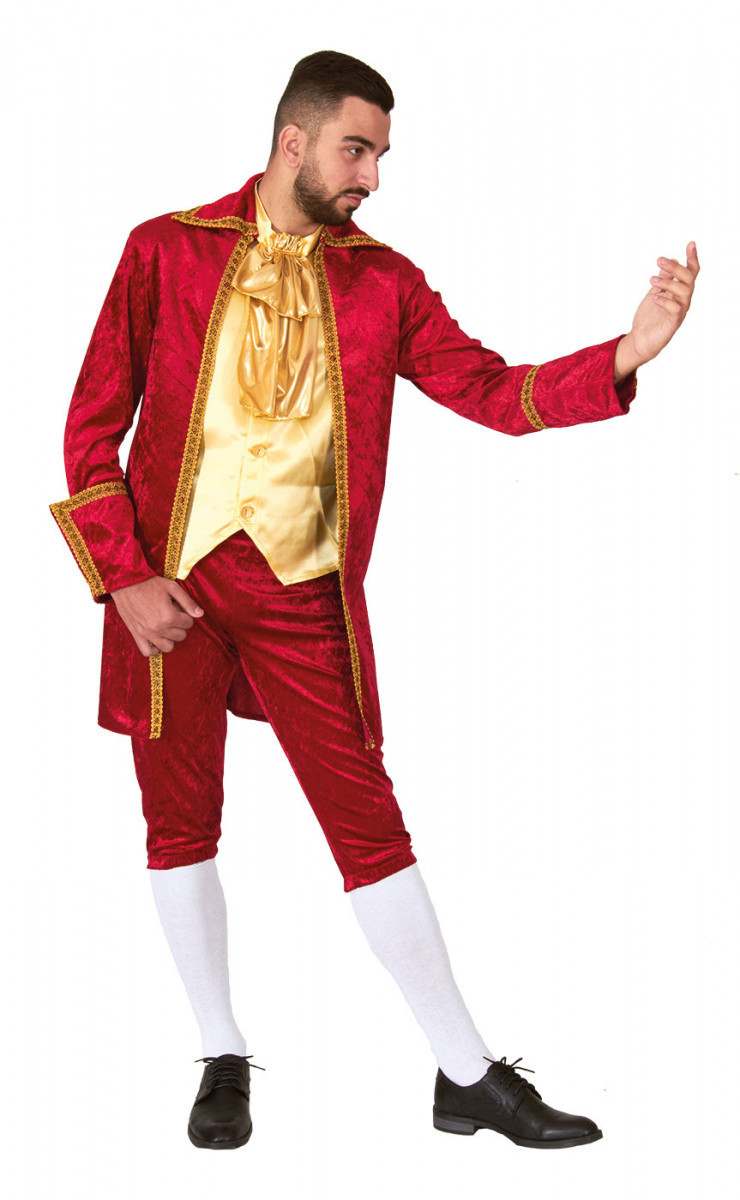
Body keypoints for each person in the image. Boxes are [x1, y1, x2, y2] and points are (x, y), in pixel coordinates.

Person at [50, 49, 699, 1152]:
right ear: (292, 141)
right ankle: (219, 1052)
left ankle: (465, 1075)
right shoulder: (162, 249)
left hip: (302, 596)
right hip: (171, 594)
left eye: (381, 156)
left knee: (368, 825)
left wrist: (626, 353)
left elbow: (489, 390)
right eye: (357, 151)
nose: (372, 178)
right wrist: (123, 579)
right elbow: (91, 424)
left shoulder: (384, 281)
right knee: (177, 820)